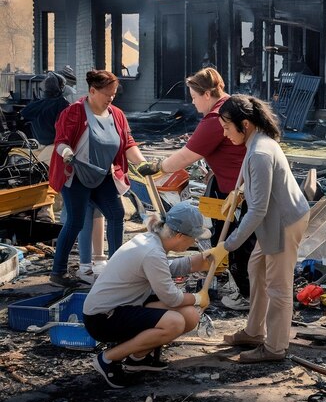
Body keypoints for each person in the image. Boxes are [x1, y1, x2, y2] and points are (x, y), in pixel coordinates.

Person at [203, 94, 310, 363]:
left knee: (278, 287)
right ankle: (253, 332)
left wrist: (226, 246)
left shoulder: (260, 152)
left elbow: (258, 211)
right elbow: (259, 188)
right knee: (256, 269)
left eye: (228, 127)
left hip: (283, 222)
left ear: (246, 124)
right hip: (273, 219)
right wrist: (238, 191)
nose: (225, 134)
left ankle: (274, 348)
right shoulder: (256, 143)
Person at [136, 67, 249, 310]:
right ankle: (240, 286)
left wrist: (158, 166)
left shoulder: (216, 117)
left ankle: (245, 293)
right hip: (233, 185)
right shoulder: (232, 105)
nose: (193, 102)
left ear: (207, 93)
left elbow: (187, 155)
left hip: (239, 191)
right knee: (230, 239)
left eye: (194, 96)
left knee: (236, 243)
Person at [83, 201, 211, 388]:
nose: (195, 242)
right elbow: (172, 298)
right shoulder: (151, 252)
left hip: (125, 305)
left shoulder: (152, 240)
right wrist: (199, 298)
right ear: (179, 236)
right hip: (103, 318)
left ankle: (137, 358)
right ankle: (108, 359)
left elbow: (167, 268)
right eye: (193, 238)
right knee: (174, 322)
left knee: (189, 315)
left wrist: (197, 261)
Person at [48, 69, 150, 288]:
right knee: (75, 221)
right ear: (92, 91)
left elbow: (128, 143)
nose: (111, 99)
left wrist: (143, 164)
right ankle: (58, 272)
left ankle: (116, 267)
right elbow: (61, 141)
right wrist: (66, 153)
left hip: (103, 174)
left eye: (113, 94)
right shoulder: (74, 112)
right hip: (75, 174)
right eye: (107, 94)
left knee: (116, 213)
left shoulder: (117, 115)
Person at [21, 71, 105, 280]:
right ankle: (61, 226)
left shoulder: (38, 105)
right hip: (57, 151)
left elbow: (24, 113)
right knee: (67, 196)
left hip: (40, 151)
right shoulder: (63, 106)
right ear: (61, 89)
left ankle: (53, 221)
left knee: (53, 192)